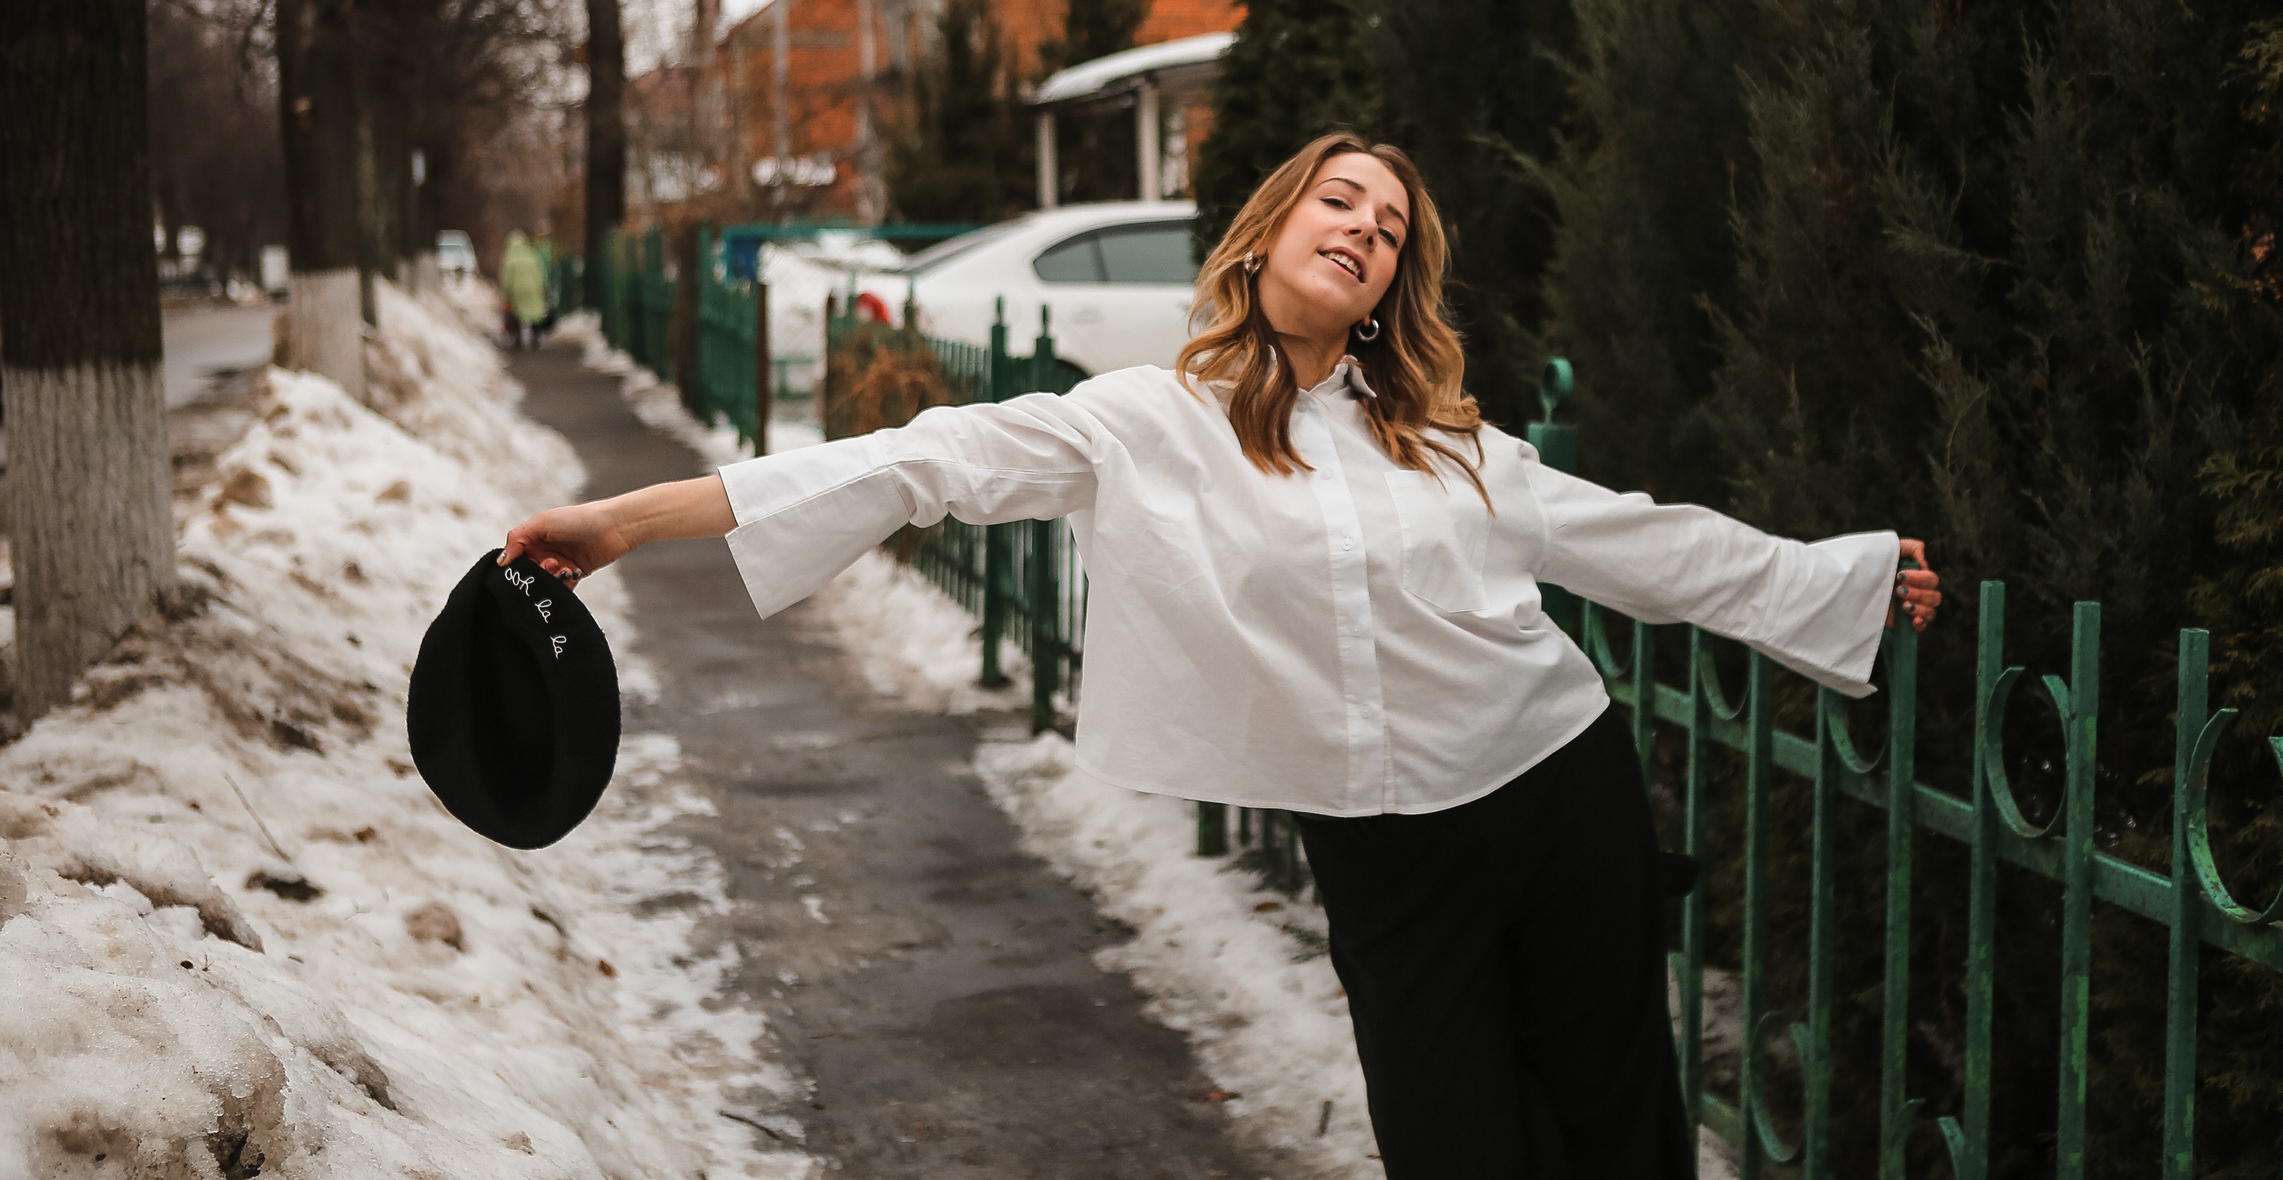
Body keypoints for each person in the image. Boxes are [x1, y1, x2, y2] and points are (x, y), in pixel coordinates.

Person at [500, 134, 1941, 1179]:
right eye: (1343, 200)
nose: (1367, 229)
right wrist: (625, 519)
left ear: (1387, 288)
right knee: (1454, 1141)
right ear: (1265, 234)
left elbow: (1640, 543)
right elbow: (915, 461)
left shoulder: (1440, 438)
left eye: (1389, 229)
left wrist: (1840, 580)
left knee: (1618, 1118)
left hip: (1554, 786)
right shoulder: (1145, 420)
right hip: (1385, 848)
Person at [499, 229, 550, 350]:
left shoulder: (509, 258)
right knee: (535, 313)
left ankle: (521, 338)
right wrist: (543, 287)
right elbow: (542, 274)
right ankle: (538, 337)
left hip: (517, 290)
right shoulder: (532, 255)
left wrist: (506, 293)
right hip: (533, 288)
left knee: (519, 313)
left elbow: (506, 279)